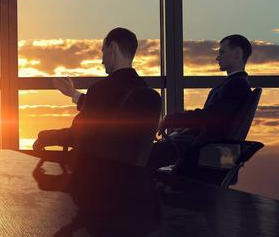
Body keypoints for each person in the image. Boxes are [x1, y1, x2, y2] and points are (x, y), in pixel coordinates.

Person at [32, 27, 149, 163]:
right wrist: (73, 93)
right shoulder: (143, 90)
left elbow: (76, 136)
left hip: (93, 174)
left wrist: (43, 137)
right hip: (129, 175)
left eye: (103, 51)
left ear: (112, 48)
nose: (102, 60)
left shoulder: (101, 89)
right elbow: (107, 111)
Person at [146, 34, 253, 169]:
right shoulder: (238, 85)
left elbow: (209, 118)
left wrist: (171, 120)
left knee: (144, 156)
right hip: (205, 149)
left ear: (237, 54)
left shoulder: (235, 86)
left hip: (201, 151)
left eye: (222, 52)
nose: (217, 57)